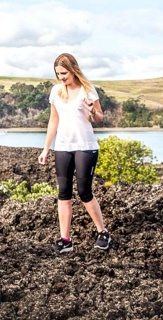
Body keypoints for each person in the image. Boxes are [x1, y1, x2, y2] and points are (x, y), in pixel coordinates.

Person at [38, 53, 111, 254]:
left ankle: (103, 232)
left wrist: (92, 110)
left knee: (84, 192)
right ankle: (66, 240)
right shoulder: (56, 91)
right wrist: (46, 148)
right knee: (64, 194)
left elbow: (98, 119)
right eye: (58, 74)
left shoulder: (87, 90)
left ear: (73, 70)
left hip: (85, 146)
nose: (61, 77)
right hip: (62, 147)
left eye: (64, 73)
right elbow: (53, 120)